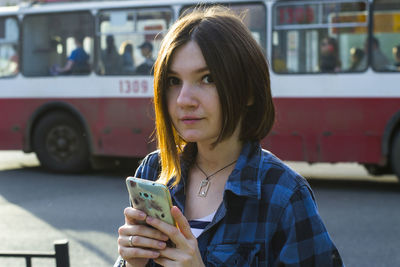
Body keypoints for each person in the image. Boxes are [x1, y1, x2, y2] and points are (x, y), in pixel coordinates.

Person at [115, 7, 343, 267]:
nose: (183, 100)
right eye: (173, 81)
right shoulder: (154, 171)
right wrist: (130, 262)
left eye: (207, 78)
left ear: (247, 91)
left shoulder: (283, 194)